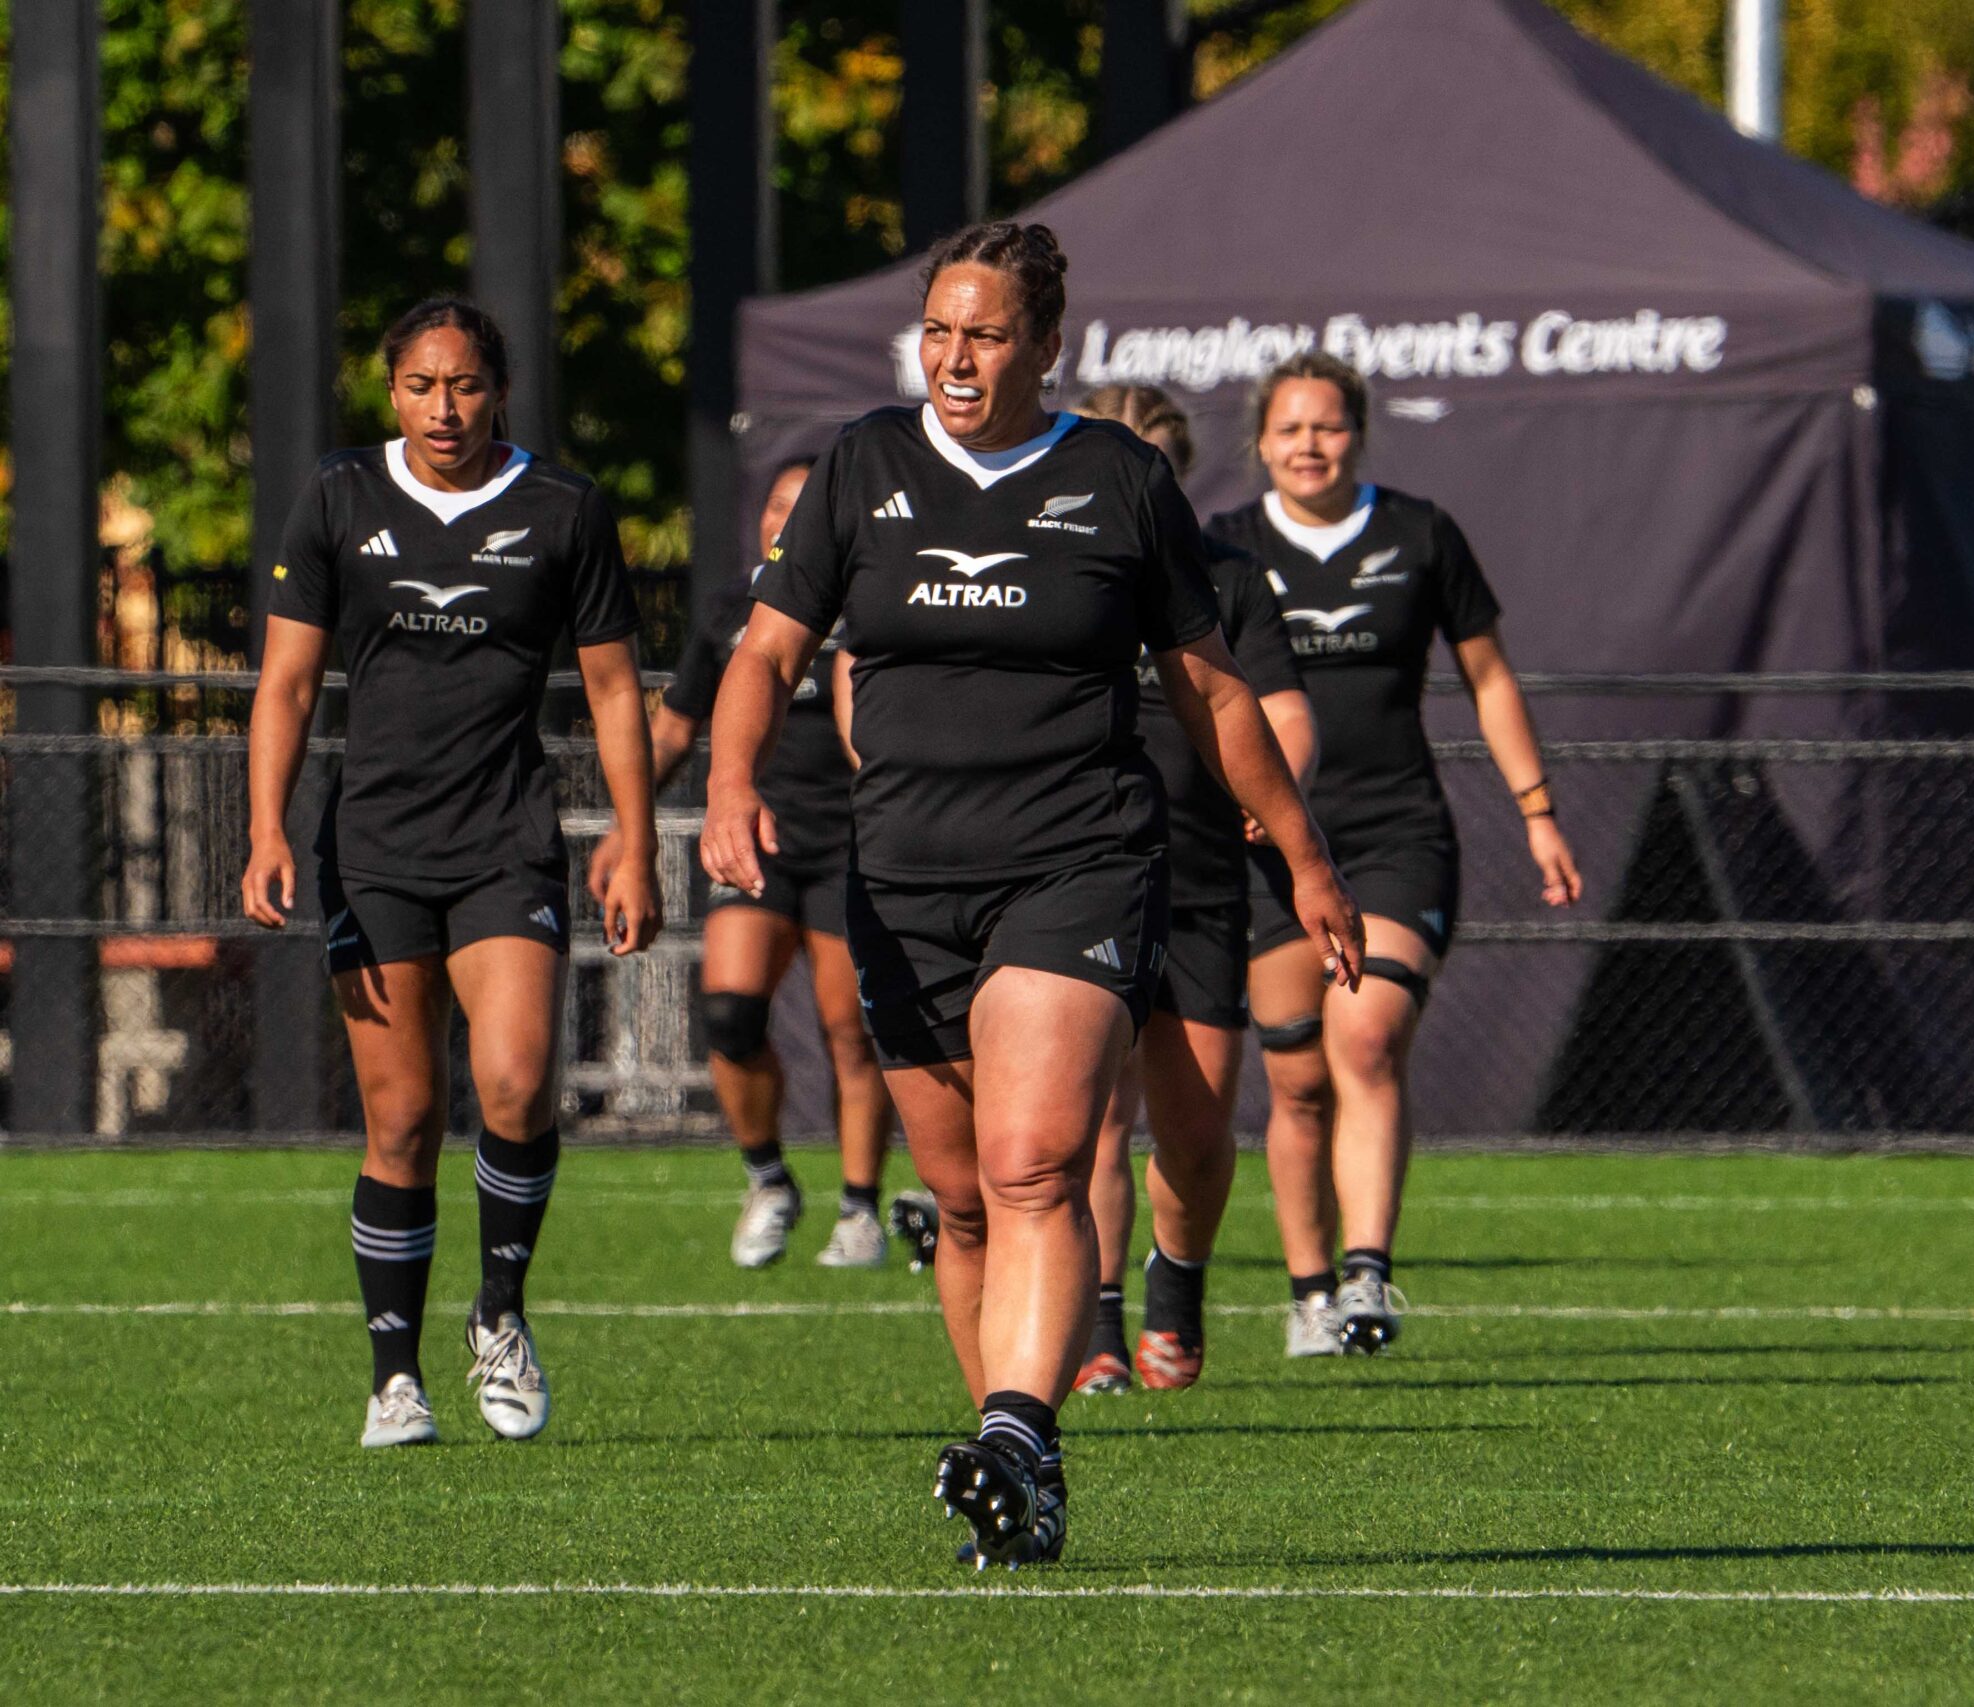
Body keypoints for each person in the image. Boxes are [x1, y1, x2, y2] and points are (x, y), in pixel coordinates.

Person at [699, 222, 1359, 1570]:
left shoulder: (1117, 480)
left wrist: (1304, 855)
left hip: (1076, 860)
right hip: (903, 878)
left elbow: (1212, 690)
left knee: (1038, 1159)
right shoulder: (861, 466)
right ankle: (1025, 1463)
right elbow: (766, 649)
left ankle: (1013, 1427)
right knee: (962, 1201)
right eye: (938, 330)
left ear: (1045, 347)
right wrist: (725, 782)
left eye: (984, 333)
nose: (954, 356)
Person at [243, 297, 662, 1448]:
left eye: (466, 385)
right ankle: (394, 1377)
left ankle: (501, 1316)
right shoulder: (338, 496)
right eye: (424, 385)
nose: (445, 407)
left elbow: (618, 688)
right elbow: (284, 684)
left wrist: (634, 835)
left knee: (520, 1084)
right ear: (392, 393)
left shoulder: (563, 507)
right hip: (372, 847)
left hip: (505, 841)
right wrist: (267, 829)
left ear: (500, 391)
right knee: (406, 1116)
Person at [1207, 352, 1582, 1358]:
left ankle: (1367, 1276)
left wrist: (1537, 812)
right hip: (1272, 846)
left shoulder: (1419, 533)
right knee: (1293, 1080)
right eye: (1288, 429)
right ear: (1260, 441)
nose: (1308, 446)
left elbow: (1490, 678)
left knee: (1365, 1037)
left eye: (1326, 427)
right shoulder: (1225, 549)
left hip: (1394, 832)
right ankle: (1307, 1292)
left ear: (1357, 432)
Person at [1068, 384, 1316, 1394]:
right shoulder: (1064, 567)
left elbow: (1279, 711)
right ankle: (1095, 1324)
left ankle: (1177, 1278)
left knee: (1199, 1131)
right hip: (1081, 869)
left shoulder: (1228, 579)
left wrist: (1275, 795)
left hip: (1202, 875)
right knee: (1089, 1120)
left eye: (1155, 457)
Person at [589, 461, 894, 1270]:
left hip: (850, 845)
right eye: (776, 506)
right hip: (752, 842)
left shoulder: (866, 603)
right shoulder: (730, 613)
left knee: (850, 1031)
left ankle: (861, 1208)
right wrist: (628, 826)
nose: (786, 521)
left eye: (805, 510)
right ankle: (769, 1178)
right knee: (729, 1015)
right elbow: (674, 728)